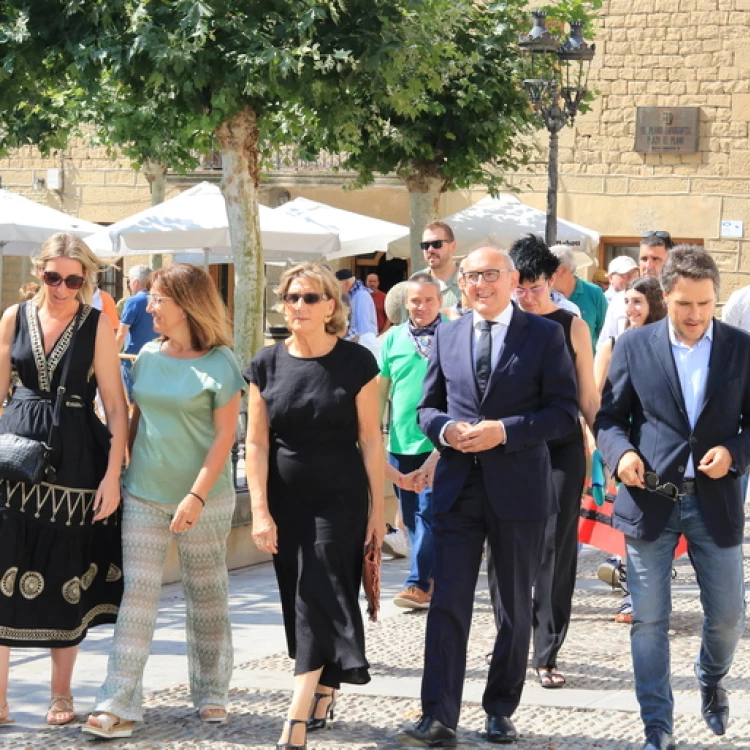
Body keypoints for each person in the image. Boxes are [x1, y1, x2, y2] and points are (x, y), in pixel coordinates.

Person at [398, 247, 579, 747]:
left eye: (490, 275)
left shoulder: (544, 335)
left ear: (512, 279)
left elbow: (564, 413)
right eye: (472, 275)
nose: (480, 284)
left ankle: (501, 709)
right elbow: (426, 409)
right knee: (447, 603)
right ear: (461, 282)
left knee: (513, 608)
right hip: (458, 487)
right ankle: (438, 716)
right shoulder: (448, 334)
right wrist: (447, 429)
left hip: (519, 488)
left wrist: (506, 431)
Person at [595, 246, 748, 750]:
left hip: (716, 502)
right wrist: (619, 457)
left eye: (706, 304)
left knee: (727, 616)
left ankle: (711, 678)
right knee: (649, 622)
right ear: (667, 295)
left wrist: (733, 452)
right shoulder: (635, 347)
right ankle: (657, 726)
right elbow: (610, 420)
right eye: (686, 305)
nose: (696, 316)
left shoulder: (740, 348)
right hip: (649, 501)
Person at [84, 264, 245, 739]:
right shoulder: (148, 355)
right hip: (144, 494)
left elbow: (223, 440)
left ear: (185, 304)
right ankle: (118, 703)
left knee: (207, 596)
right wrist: (121, 473)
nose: (148, 306)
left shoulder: (221, 363)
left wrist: (195, 495)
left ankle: (213, 690)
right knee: (138, 598)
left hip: (205, 499)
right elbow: (134, 418)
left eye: (158, 299)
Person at [245, 263, 385, 750]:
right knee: (301, 590)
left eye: (309, 297)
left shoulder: (357, 363)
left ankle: (296, 716)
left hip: (341, 497)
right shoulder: (265, 364)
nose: (298, 306)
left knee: (317, 583)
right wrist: (260, 511)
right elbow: (256, 445)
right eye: (290, 297)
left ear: (331, 305)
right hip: (287, 497)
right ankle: (325, 685)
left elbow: (370, 439)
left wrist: (377, 508)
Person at [0, 232, 127, 726]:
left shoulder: (96, 325)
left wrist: (113, 476)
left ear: (85, 279)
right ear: (39, 272)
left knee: (64, 567)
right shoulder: (13, 318)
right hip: (14, 455)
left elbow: (116, 407)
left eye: (73, 279)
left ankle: (61, 694)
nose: (62, 287)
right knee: (3, 564)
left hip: (75, 455)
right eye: (54, 277)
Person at [508, 235, 600, 688]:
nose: (526, 297)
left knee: (554, 548)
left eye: (535, 287)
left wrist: (610, 444)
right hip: (508, 448)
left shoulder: (572, 326)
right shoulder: (500, 325)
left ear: (552, 281)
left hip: (562, 448)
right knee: (509, 548)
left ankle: (546, 650)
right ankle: (512, 638)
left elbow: (588, 394)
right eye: (518, 288)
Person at [593, 276, 667, 625]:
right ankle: (631, 592)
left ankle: (649, 586)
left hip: (660, 447)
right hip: (624, 446)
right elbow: (598, 396)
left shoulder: (670, 342)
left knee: (661, 526)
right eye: (627, 301)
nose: (631, 308)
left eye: (638, 301)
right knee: (631, 522)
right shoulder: (614, 343)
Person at [379, 273, 442, 610]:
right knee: (413, 517)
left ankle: (417, 583)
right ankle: (429, 580)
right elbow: (381, 386)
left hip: (437, 445)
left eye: (429, 300)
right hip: (401, 443)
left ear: (440, 302)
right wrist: (373, 431)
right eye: (416, 300)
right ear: (406, 302)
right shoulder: (391, 339)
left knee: (430, 511)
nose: (422, 306)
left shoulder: (452, 335)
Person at [597, 232, 672, 351]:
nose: (648, 265)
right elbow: (604, 345)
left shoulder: (678, 300)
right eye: (644, 259)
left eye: (656, 259)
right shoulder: (620, 300)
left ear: (669, 262)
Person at [551, 245, 608, 347]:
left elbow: (605, 333)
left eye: (549, 270)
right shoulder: (544, 294)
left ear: (563, 270)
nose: (545, 275)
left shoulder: (594, 293)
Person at [115, 265, 155, 401]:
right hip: (156, 359)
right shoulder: (158, 300)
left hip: (133, 359)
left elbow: (121, 334)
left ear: (135, 282)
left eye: (129, 281)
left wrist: (111, 356)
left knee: (132, 403)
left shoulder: (133, 301)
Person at [417, 221, 461, 311]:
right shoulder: (415, 281)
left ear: (452, 246)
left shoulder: (467, 281)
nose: (430, 249)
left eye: (436, 244)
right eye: (425, 245)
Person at [334, 268, 379, 355]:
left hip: (364, 344)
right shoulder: (355, 294)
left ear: (346, 283)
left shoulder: (361, 296)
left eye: (337, 285)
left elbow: (364, 327)